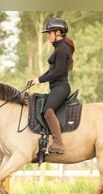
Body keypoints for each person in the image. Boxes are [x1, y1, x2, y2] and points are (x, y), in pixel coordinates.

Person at [28, 17, 75, 154]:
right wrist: (37, 79)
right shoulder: (58, 49)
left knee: (48, 111)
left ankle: (58, 143)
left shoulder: (62, 49)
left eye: (50, 32)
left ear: (58, 32)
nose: (48, 35)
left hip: (61, 87)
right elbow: (52, 71)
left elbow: (59, 72)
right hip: (56, 87)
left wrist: (40, 80)